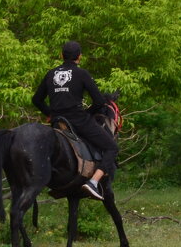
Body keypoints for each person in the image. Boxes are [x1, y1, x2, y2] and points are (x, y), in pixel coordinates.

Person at [31, 40, 118, 200]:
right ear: (79, 57)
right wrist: (87, 113)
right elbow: (99, 102)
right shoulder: (82, 73)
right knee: (112, 147)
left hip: (58, 122)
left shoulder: (51, 73)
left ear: (61, 55)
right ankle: (93, 182)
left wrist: (50, 113)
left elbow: (36, 99)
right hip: (78, 120)